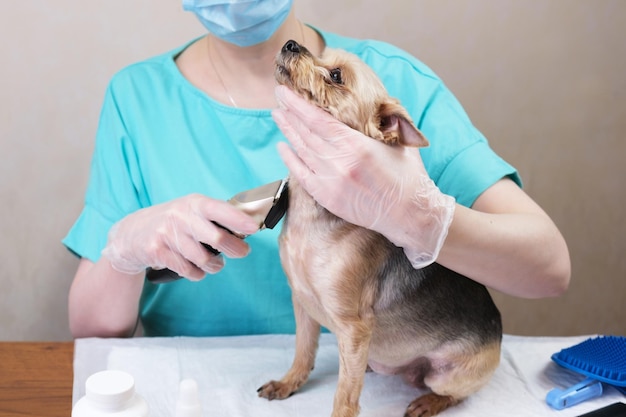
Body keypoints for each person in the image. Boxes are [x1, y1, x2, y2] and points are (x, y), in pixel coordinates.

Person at [64, 0, 571, 338]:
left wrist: (418, 216)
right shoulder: (136, 98)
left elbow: (548, 269)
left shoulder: (387, 84)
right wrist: (123, 250)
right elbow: (90, 332)